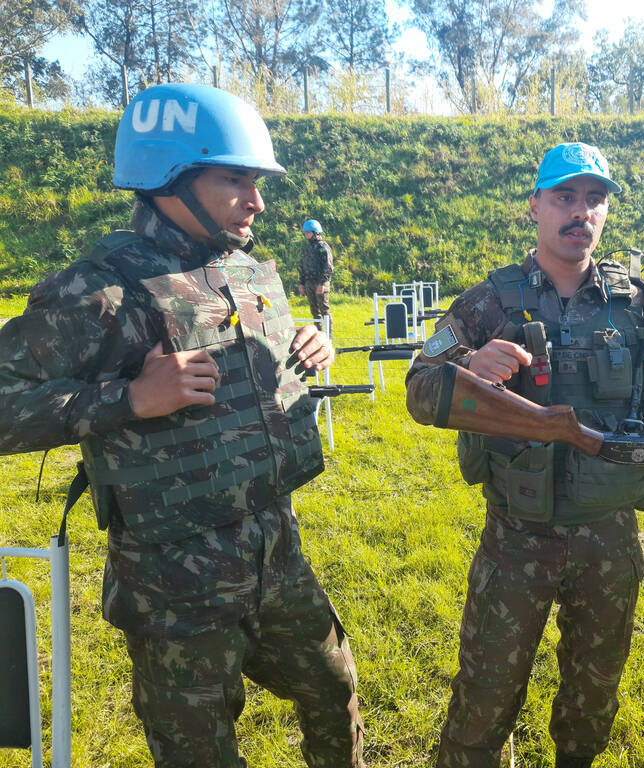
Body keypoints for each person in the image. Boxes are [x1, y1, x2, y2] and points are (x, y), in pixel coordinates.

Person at [0, 83, 365, 767]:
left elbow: (262, 379)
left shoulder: (245, 270)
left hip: (275, 555)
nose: (256, 202)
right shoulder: (99, 291)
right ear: (169, 178)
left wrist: (307, 350)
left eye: (257, 182)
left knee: (334, 690)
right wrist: (128, 400)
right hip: (175, 589)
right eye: (236, 180)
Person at [405, 142, 644, 768]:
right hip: (516, 536)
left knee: (593, 697)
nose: (579, 212)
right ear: (535, 206)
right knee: (484, 698)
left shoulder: (635, 301)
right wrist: (470, 368)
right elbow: (419, 389)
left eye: (594, 199)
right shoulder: (488, 302)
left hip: (609, 536)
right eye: (564, 197)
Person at [298, 219, 334, 333]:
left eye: (309, 232)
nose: (307, 235)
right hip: (309, 283)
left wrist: (322, 283)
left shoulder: (323, 247)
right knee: (314, 312)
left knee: (325, 311)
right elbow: (302, 266)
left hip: (321, 283)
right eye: (306, 233)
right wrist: (301, 283)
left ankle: (328, 336)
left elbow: (328, 267)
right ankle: (318, 334)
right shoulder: (306, 248)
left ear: (316, 232)